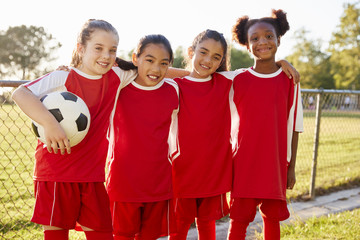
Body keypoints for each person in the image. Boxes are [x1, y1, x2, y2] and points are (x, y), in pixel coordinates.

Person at [11, 19, 137, 240]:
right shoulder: (64, 77)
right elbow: (20, 93)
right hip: (55, 172)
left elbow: (153, 67)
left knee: (103, 234)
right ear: (81, 48)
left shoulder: (117, 77)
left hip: (93, 176)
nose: (106, 56)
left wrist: (196, 74)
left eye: (112, 50)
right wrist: (50, 124)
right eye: (98, 48)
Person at [169, 29, 300, 240]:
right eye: (202, 52)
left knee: (206, 222)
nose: (208, 60)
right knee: (180, 223)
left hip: (213, 171)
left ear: (221, 61)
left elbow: (260, 71)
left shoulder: (225, 81)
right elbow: (157, 71)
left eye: (216, 57)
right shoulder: (174, 86)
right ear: (191, 51)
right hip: (182, 171)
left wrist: (281, 63)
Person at [227, 10, 304, 240]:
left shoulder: (291, 80)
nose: (263, 42)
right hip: (244, 163)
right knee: (239, 220)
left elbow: (295, 126)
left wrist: (291, 167)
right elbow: (198, 76)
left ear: (279, 39)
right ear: (247, 45)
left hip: (276, 163)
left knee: (272, 219)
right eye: (255, 38)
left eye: (269, 36)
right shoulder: (236, 79)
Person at [106, 34, 180, 240]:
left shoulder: (173, 90)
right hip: (123, 183)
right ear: (135, 58)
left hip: (159, 183)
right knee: (121, 236)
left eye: (163, 63)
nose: (156, 69)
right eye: (149, 60)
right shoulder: (119, 86)